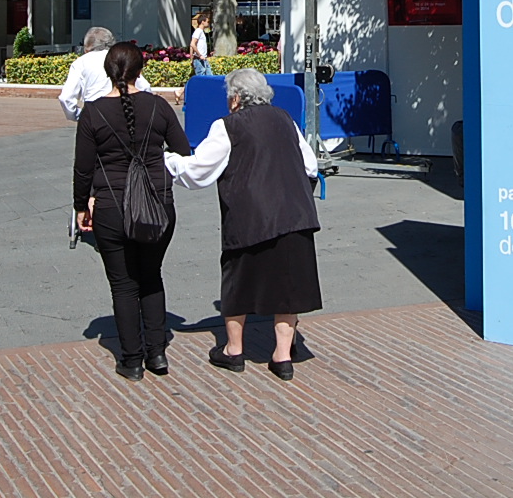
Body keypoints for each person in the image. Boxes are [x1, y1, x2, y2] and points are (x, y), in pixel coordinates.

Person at [163, 68, 321, 381]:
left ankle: (234, 350)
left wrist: (168, 161)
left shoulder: (227, 126)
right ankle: (283, 356)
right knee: (288, 285)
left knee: (238, 282)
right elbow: (310, 165)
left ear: (235, 98)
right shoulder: (285, 120)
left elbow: (199, 170)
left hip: (250, 217)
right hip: (295, 215)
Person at [74, 42, 191, 380]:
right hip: (157, 203)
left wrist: (81, 206)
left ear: (107, 72)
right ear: (142, 70)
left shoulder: (93, 113)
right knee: (151, 276)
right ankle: (157, 354)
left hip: (111, 205)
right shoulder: (159, 107)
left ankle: (131, 359)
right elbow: (182, 152)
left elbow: (82, 169)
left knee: (123, 285)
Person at [58, 26, 150, 121]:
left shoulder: (81, 62)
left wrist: (79, 116)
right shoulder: (120, 58)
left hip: (94, 115)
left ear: (87, 46)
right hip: (123, 114)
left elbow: (66, 98)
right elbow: (145, 87)